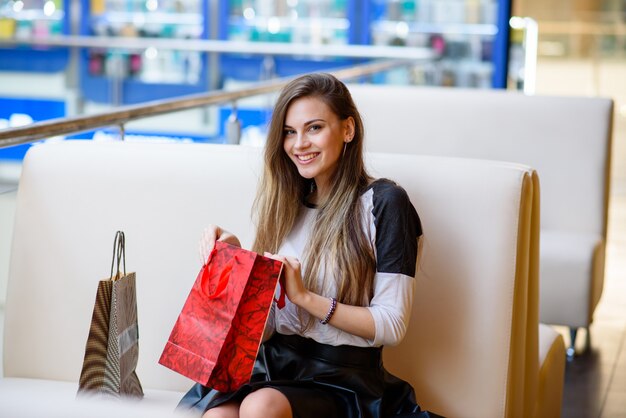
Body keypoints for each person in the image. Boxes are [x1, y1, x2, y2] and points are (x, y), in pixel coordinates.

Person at [178, 73, 438, 418]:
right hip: (274, 365)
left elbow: (392, 325)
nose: (299, 144)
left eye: (314, 128)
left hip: (345, 378)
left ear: (348, 129)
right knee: (217, 415)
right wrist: (237, 262)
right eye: (289, 132)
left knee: (261, 407)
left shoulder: (385, 203)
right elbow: (267, 328)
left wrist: (305, 298)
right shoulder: (285, 203)